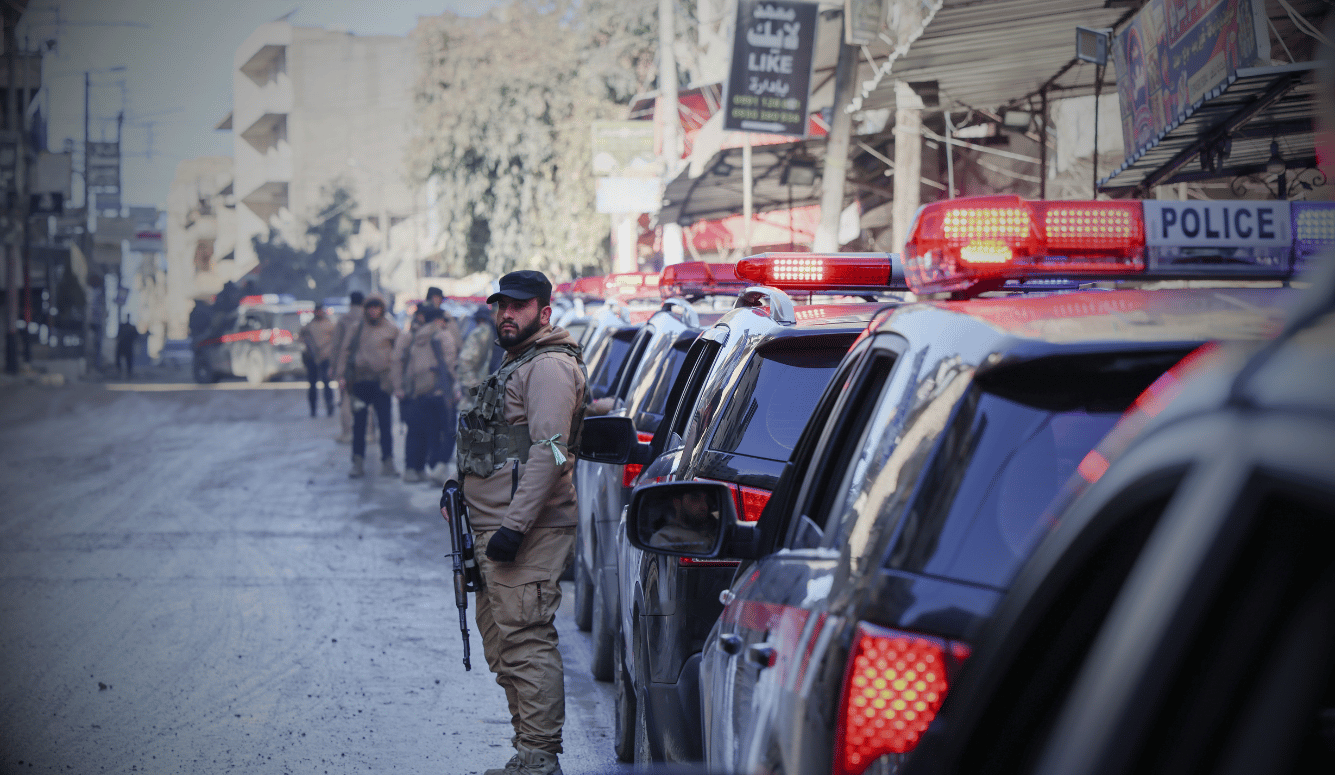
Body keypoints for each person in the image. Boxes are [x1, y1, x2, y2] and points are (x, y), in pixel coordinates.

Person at [447, 270, 587, 775]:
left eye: (520, 306)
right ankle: (526, 753)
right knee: (504, 645)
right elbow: (496, 443)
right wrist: (458, 488)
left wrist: (514, 528)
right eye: (502, 305)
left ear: (544, 313)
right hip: (493, 527)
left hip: (525, 531)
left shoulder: (548, 367)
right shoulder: (518, 362)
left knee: (525, 642)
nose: (507, 314)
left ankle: (539, 760)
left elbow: (549, 454)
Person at [395, 304, 461, 483]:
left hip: (420, 392)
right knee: (449, 430)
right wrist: (456, 386)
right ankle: (438, 466)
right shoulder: (443, 335)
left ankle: (424, 467)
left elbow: (407, 364)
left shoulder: (416, 337)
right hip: (441, 392)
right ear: (438, 320)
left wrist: (405, 387)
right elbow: (450, 364)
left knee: (427, 431)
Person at [337, 293, 400, 478]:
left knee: (385, 425)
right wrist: (341, 375)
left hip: (382, 384)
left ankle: (388, 463)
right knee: (359, 425)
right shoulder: (356, 328)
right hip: (360, 383)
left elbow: (398, 356)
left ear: (382, 309)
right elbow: (345, 351)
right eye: (370, 307)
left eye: (377, 307)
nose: (373, 311)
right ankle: (357, 463)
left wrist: (396, 381)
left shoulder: (391, 329)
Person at [454, 305, 505, 414]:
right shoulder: (483, 333)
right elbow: (465, 365)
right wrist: (480, 395)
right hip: (477, 408)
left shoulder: (511, 337)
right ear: (493, 315)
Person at [332, 291, 365, 443]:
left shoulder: (344, 319)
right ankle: (368, 432)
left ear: (350, 302)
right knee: (366, 400)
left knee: (345, 399)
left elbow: (337, 345)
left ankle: (347, 432)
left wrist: (335, 367)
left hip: (347, 365)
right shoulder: (368, 318)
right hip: (365, 364)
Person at [648, 489, 720, 553]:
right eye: (695, 498)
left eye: (706, 500)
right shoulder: (664, 537)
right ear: (677, 503)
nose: (704, 506)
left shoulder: (716, 528)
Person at [299, 303, 337, 417]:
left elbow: (335, 340)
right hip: (312, 358)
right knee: (312, 385)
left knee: (327, 383)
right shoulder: (309, 326)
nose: (319, 313)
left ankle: (329, 406)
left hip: (326, 358)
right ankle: (313, 409)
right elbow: (301, 337)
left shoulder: (329, 325)